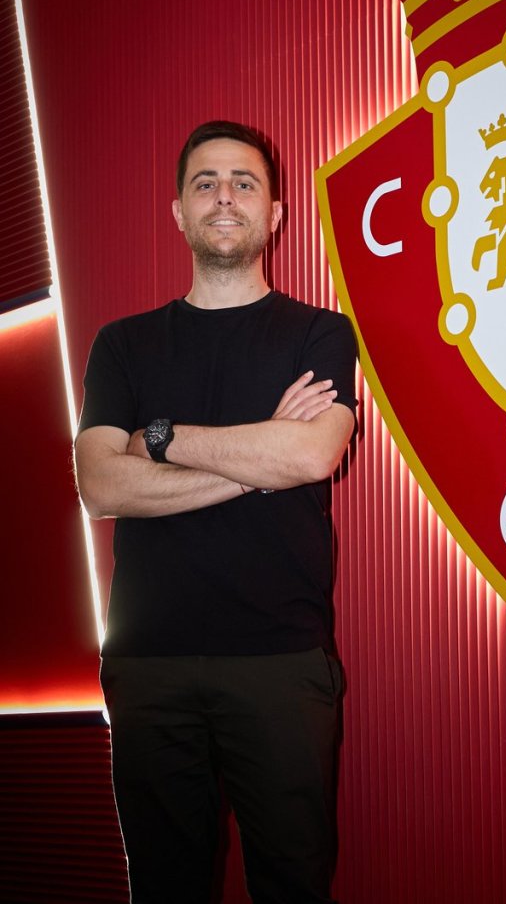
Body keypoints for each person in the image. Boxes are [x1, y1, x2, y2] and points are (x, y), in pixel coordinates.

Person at [74, 120, 357, 904]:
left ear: (275, 214)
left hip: (281, 666)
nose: (223, 195)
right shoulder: (122, 345)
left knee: (293, 886)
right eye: (204, 182)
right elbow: (101, 485)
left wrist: (162, 440)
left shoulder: (319, 332)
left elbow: (309, 457)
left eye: (243, 182)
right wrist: (256, 462)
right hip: (148, 666)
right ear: (178, 212)